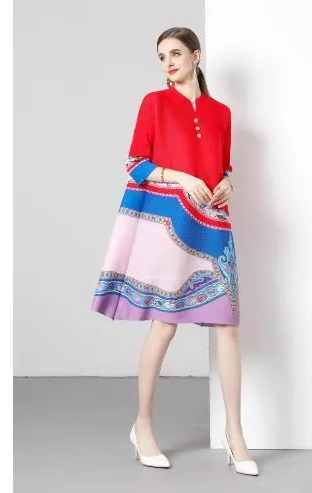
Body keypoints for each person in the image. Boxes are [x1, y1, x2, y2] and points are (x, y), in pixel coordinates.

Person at [91, 27, 258, 476]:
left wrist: (228, 183)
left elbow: (223, 167)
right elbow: (135, 164)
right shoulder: (154, 103)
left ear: (196, 56)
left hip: (213, 226)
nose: (168, 62)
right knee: (164, 326)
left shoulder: (221, 113)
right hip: (170, 226)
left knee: (228, 328)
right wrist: (180, 177)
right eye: (162, 56)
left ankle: (235, 433)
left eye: (176, 53)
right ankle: (143, 426)